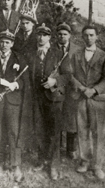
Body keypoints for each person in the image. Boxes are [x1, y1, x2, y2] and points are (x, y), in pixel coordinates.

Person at [28, 24, 71, 180]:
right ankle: (41, 160)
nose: (41, 37)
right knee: (39, 130)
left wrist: (55, 81)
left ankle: (53, 165)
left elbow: (68, 76)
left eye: (44, 35)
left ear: (49, 38)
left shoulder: (59, 54)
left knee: (53, 132)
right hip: (37, 98)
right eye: (39, 34)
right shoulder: (32, 54)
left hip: (54, 99)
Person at [0, 30, 28, 183]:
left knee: (13, 131)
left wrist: (16, 84)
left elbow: (24, 80)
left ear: (12, 44)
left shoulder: (19, 58)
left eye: (7, 42)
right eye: (2, 42)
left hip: (12, 101)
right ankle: (0, 161)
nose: (4, 45)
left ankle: (15, 164)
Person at [70, 25, 105, 180]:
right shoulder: (76, 54)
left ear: (97, 37)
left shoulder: (103, 56)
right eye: (85, 35)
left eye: (91, 35)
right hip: (81, 97)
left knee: (98, 133)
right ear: (82, 37)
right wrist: (81, 88)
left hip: (97, 99)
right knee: (82, 130)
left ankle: (97, 166)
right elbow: (70, 75)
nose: (88, 38)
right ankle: (84, 161)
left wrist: (95, 90)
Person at [56, 22, 80, 160]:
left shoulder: (76, 50)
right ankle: (57, 147)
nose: (62, 37)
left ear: (70, 35)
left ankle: (71, 149)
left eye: (65, 34)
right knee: (57, 119)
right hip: (57, 89)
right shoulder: (52, 49)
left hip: (72, 90)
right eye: (59, 34)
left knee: (72, 121)